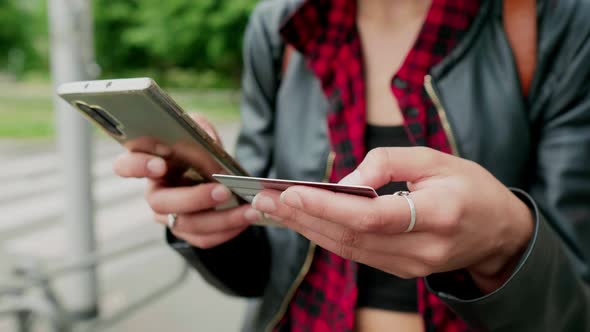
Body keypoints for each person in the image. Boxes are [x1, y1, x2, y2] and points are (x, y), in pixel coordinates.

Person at [113, 0, 590, 331]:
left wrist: (507, 237)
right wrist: (206, 220)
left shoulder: (559, 22)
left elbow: (575, 301)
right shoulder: (280, 31)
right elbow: (259, 273)